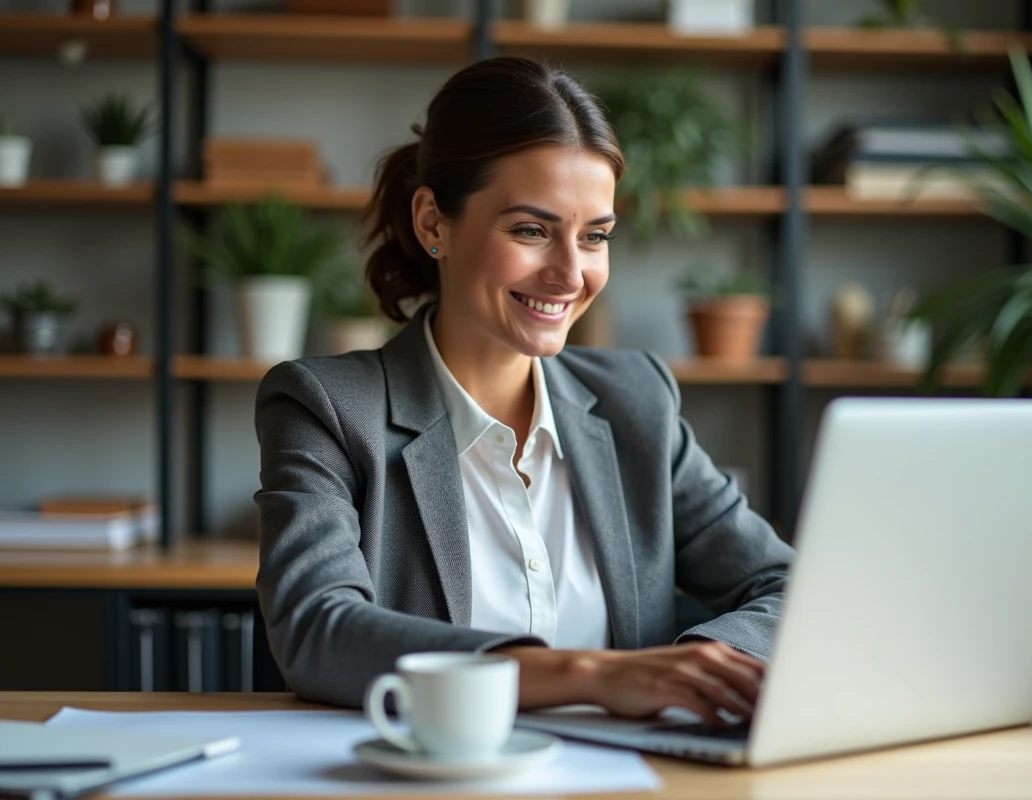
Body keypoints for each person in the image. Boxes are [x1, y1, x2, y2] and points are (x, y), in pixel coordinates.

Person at [254, 56, 795, 727]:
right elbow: (317, 629)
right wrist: (592, 674)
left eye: (595, 237)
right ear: (433, 224)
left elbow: (788, 586)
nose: (571, 274)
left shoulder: (637, 403)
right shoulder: (328, 407)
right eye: (532, 230)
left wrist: (695, 671)